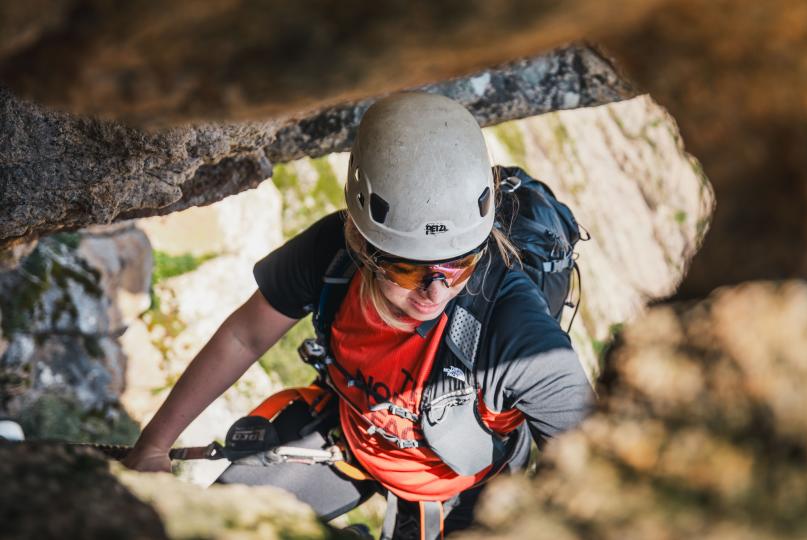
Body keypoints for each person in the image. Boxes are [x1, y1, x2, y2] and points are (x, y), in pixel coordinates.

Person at [123, 91, 593, 539]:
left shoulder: (512, 326)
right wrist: (154, 445)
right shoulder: (333, 256)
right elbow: (244, 337)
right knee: (214, 527)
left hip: (459, 489)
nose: (435, 290)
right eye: (407, 268)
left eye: (459, 264)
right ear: (362, 243)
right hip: (350, 435)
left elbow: (597, 471)